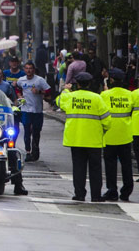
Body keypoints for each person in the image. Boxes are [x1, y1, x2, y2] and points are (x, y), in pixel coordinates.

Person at [56, 72, 111, 202]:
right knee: (95, 169)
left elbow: (59, 101)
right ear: (90, 83)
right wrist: (102, 131)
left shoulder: (71, 97)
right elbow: (107, 120)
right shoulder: (97, 98)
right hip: (94, 140)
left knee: (79, 168)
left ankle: (79, 194)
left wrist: (66, 90)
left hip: (75, 139)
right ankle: (96, 196)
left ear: (78, 84)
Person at [100, 68, 134, 201]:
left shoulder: (105, 95)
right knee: (126, 164)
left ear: (111, 80)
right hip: (125, 134)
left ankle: (112, 190)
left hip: (109, 135)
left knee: (110, 164)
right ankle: (126, 190)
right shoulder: (129, 94)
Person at [15, 61, 50, 162]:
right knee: (26, 131)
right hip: (26, 109)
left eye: (30, 68)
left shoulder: (39, 80)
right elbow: (17, 87)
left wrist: (39, 92)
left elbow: (48, 91)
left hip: (37, 110)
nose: (29, 70)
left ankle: (36, 148)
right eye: (27, 68)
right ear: (24, 70)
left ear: (33, 70)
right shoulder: (21, 80)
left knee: (36, 131)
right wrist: (19, 96)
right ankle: (28, 152)